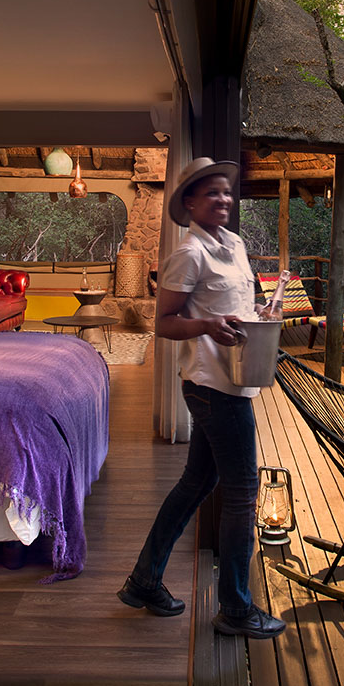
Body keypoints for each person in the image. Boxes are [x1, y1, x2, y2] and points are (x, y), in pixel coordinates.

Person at [118, 156, 286, 639]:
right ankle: (235, 608)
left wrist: (257, 311)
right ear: (189, 202)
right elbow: (164, 324)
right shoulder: (189, 253)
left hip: (234, 380)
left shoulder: (234, 244)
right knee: (242, 493)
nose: (223, 199)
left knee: (196, 484)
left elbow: (234, 305)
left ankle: (144, 580)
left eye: (226, 191)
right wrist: (208, 325)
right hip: (213, 387)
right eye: (212, 192)